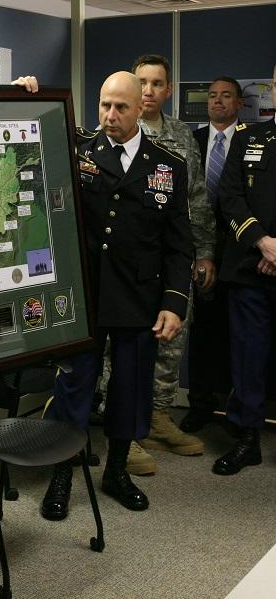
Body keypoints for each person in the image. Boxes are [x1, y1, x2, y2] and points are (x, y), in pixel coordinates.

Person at [41, 71, 193, 518]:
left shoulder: (168, 165)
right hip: (85, 299)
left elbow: (179, 244)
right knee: (74, 389)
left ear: (140, 108)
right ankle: (62, 471)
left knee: (130, 392)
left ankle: (118, 471)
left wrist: (173, 302)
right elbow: (36, 120)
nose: (110, 115)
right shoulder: (80, 151)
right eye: (104, 105)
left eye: (120, 107)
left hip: (137, 300)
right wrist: (26, 88)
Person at [97, 54, 213, 475]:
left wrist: (203, 254)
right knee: (115, 358)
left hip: (161, 268)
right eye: (141, 82)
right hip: (114, 276)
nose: (148, 90)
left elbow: (193, 201)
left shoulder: (180, 139)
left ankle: (156, 418)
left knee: (166, 346)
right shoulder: (98, 141)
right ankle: (122, 433)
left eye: (156, 83)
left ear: (167, 90)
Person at [214, 64, 276, 475]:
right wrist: (264, 243)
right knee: (248, 357)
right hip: (250, 267)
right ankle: (247, 437)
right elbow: (230, 197)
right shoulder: (249, 138)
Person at [182, 77, 245, 433]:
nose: (218, 102)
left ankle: (237, 407)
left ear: (239, 104)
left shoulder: (251, 140)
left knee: (238, 331)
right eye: (212, 96)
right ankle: (200, 404)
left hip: (238, 247)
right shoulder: (193, 140)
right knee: (202, 331)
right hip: (199, 246)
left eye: (226, 97)